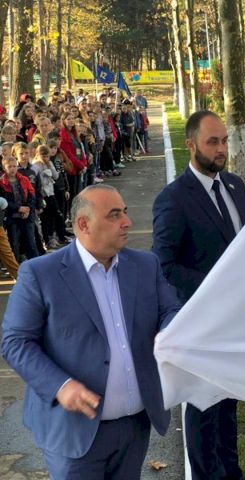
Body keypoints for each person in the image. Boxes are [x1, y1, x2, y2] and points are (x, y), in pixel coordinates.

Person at [1, 184, 181, 480]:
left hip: (135, 427)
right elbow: (16, 342)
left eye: (125, 212)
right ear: (83, 224)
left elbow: (169, 310)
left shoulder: (145, 265)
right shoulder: (40, 274)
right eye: (114, 215)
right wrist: (61, 386)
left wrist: (168, 334)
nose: (127, 222)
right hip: (74, 432)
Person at [152, 110, 245, 480]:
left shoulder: (235, 187)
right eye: (213, 142)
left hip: (234, 319)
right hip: (199, 320)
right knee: (204, 405)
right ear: (191, 145)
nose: (221, 148)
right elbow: (163, 265)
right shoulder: (173, 199)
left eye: (224, 140)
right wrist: (213, 288)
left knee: (227, 401)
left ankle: (231, 472)